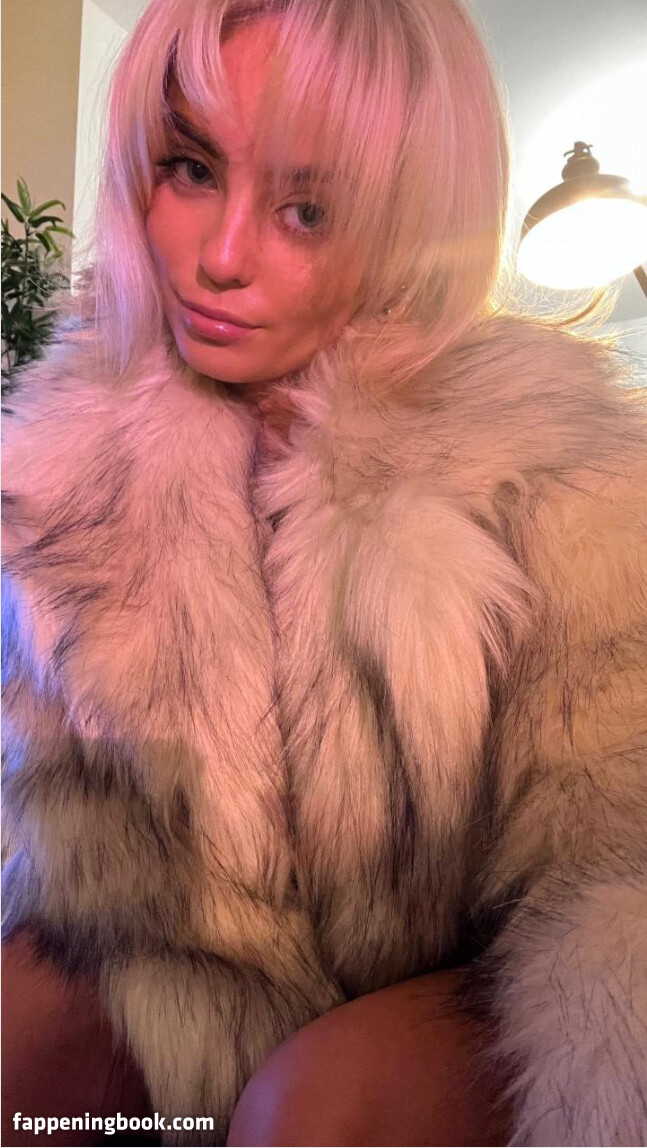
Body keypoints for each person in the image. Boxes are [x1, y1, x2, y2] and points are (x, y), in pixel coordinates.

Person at [2, 2, 646, 1147]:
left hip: (459, 1001)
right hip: (205, 1001)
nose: (221, 255)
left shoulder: (551, 473)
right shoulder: (69, 465)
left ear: (402, 230)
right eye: (190, 168)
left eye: (306, 209)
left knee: (313, 1109)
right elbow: (74, 868)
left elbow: (613, 879)